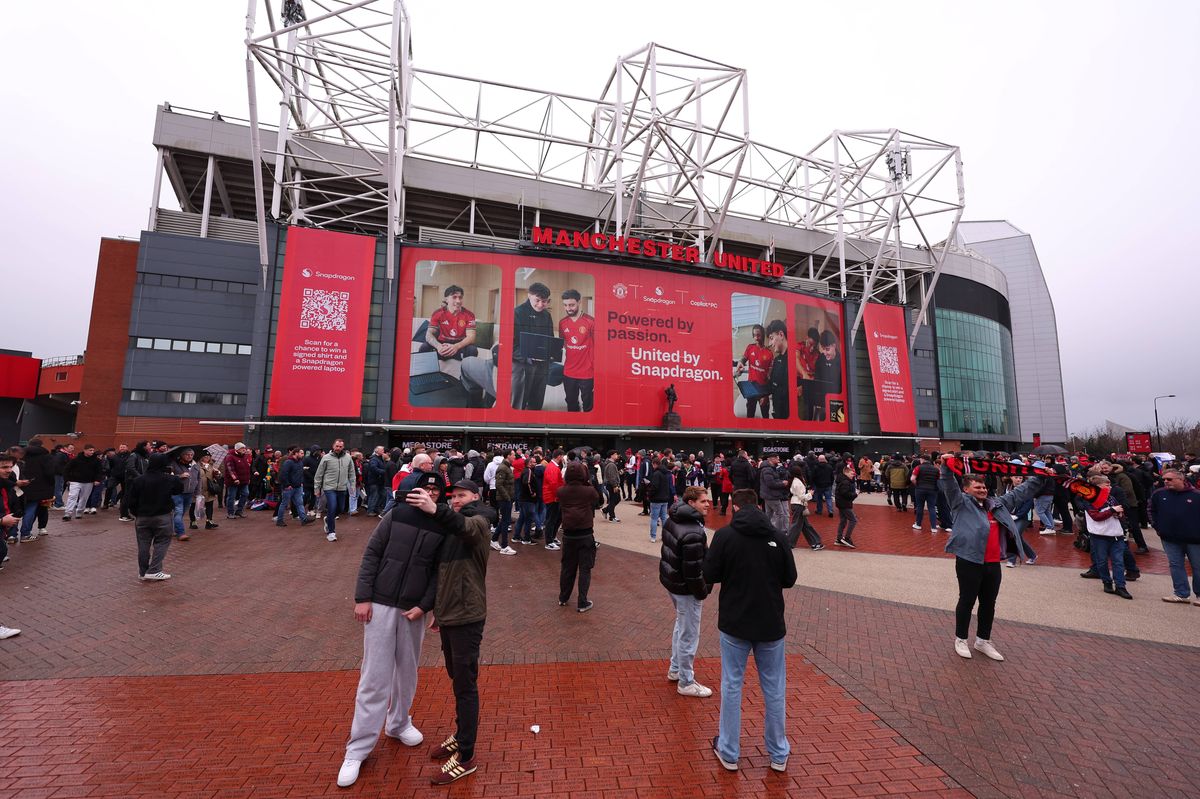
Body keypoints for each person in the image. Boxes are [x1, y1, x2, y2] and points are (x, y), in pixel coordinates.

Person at [337, 472, 452, 789]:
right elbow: (372, 553)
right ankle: (358, 749)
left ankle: (399, 722)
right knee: (374, 676)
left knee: (407, 672)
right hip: (382, 604)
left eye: (435, 490)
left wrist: (426, 605)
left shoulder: (443, 525)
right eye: (425, 488)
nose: (430, 494)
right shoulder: (395, 514)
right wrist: (363, 597)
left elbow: (438, 572)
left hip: (413, 610)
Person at [703, 488, 797, 772]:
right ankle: (778, 752)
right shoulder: (778, 537)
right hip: (770, 622)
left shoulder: (725, 536)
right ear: (757, 505)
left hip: (735, 621)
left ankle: (730, 751)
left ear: (734, 508)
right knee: (774, 687)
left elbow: (710, 574)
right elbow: (789, 579)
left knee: (732, 685)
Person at [410, 479, 496, 785]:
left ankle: (467, 755)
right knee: (457, 680)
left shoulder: (480, 521)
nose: (456, 500)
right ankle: (461, 736)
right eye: (453, 496)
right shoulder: (453, 526)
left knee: (465, 684)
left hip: (468, 616)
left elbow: (467, 528)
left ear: (475, 495)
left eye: (462, 495)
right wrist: (439, 611)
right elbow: (444, 575)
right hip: (451, 615)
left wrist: (437, 509)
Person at [940, 456, 1048, 660]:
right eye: (977, 487)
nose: (982, 490)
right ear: (966, 489)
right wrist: (946, 467)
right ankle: (961, 639)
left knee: (989, 602)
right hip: (969, 560)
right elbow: (948, 484)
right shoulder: (960, 503)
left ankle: (983, 640)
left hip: (992, 563)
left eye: (983, 487)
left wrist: (1040, 477)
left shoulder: (997, 504)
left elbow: (1020, 492)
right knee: (967, 600)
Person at [659, 486, 714, 697]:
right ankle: (686, 681)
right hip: (685, 589)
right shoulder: (693, 531)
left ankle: (676, 669)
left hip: (674, 584)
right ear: (691, 503)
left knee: (681, 626)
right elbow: (693, 570)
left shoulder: (674, 519)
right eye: (703, 501)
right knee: (689, 634)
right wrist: (702, 591)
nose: (707, 504)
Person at [126, 453, 183, 582]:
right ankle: (155, 570)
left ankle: (143, 572)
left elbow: (131, 500)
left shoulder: (139, 480)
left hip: (142, 517)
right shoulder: (169, 479)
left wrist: (137, 513)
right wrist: (174, 477)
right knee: (162, 542)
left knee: (143, 544)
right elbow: (178, 490)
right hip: (162, 515)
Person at [1149, 469, 1200, 604]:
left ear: (1181, 479)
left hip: (1194, 539)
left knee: (1198, 566)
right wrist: (1158, 527)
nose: (1165, 481)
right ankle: (1181, 593)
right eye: (1164, 479)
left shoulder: (1196, 495)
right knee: (1175, 565)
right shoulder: (1159, 494)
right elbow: (1151, 510)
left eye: (1169, 479)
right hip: (1169, 538)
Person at [1079, 475, 1132, 599]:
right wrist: (1112, 511)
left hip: (1116, 535)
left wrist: (1119, 514)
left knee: (1118, 562)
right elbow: (1096, 517)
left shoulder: (1111, 498)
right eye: (1107, 485)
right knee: (1102, 561)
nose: (1110, 487)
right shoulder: (1089, 500)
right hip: (1099, 535)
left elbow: (1120, 511)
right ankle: (1106, 581)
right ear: (1098, 487)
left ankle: (1120, 586)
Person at [557, 461, 601, 612]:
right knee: (585, 569)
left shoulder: (561, 491)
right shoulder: (588, 490)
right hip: (585, 533)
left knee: (567, 568)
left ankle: (563, 597)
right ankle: (582, 601)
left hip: (569, 534)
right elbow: (599, 500)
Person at [511, 282, 554, 410]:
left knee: (537, 401)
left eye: (545, 301)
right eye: (537, 300)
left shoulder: (547, 315)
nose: (541, 305)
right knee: (519, 403)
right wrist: (529, 357)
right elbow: (511, 345)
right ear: (529, 295)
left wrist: (551, 353)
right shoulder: (517, 313)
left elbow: (550, 339)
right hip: (522, 362)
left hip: (542, 363)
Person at [559, 288, 595, 412]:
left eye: (572, 305)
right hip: (569, 372)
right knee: (571, 404)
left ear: (579, 302)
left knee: (588, 406)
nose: (568, 308)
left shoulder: (591, 322)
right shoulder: (562, 323)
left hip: (587, 372)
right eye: (565, 305)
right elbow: (563, 343)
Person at [313, 439, 354, 542]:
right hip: (329, 487)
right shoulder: (326, 458)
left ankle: (328, 519)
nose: (338, 448)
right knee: (332, 506)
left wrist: (352, 486)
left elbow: (352, 473)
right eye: (337, 446)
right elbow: (319, 474)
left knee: (340, 508)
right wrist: (317, 488)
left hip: (342, 487)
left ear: (343, 447)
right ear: (333, 446)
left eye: (340, 446)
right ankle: (331, 532)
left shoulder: (348, 458)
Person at [734, 324, 771, 418]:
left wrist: (766, 395)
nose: (756, 338)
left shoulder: (769, 353)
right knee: (750, 415)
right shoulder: (750, 348)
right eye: (754, 335)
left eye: (758, 335)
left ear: (763, 334)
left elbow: (770, 376)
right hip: (751, 388)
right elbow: (743, 359)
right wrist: (740, 363)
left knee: (765, 416)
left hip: (763, 390)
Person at [62, 444, 102, 522]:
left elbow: (99, 471)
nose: (92, 452)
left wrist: (97, 480)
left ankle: (79, 511)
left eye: (93, 450)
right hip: (75, 481)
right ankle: (68, 513)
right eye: (90, 450)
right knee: (72, 496)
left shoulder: (96, 461)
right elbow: (67, 469)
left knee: (84, 497)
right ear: (85, 450)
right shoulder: (76, 459)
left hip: (88, 482)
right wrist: (67, 479)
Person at [787, 463, 821, 549]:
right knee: (797, 525)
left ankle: (815, 542)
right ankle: (788, 543)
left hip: (796, 504)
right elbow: (802, 497)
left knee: (804, 525)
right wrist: (810, 494)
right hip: (799, 504)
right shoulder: (798, 482)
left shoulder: (794, 481)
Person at [275, 447, 312, 527]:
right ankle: (279, 520)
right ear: (296, 453)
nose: (303, 455)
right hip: (289, 488)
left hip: (298, 487)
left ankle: (304, 519)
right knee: (284, 504)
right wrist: (287, 485)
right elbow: (283, 474)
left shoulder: (300, 462)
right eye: (301, 453)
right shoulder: (288, 462)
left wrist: (301, 482)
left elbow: (300, 473)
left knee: (299, 503)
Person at [170, 448, 199, 541]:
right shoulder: (174, 464)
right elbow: (168, 477)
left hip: (189, 493)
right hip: (177, 492)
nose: (189, 456)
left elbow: (199, 479)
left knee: (181, 513)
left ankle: (174, 529)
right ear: (182, 455)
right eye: (187, 454)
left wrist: (198, 492)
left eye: (191, 455)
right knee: (178, 511)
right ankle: (181, 533)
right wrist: (179, 476)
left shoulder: (195, 465)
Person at [490, 452, 516, 555]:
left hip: (507, 498)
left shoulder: (506, 467)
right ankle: (504, 546)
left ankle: (494, 539)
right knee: (505, 521)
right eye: (513, 455)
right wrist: (507, 497)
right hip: (505, 499)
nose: (514, 457)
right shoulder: (503, 468)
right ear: (508, 456)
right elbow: (499, 485)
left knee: (504, 520)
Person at [758, 453, 789, 534]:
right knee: (780, 514)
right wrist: (783, 483)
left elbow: (772, 481)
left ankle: (765, 529)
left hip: (769, 495)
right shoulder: (768, 469)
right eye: (777, 459)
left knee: (769, 514)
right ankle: (776, 532)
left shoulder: (770, 468)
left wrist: (781, 482)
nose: (778, 460)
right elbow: (771, 483)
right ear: (772, 459)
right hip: (772, 495)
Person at [764, 319, 789, 419]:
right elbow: (773, 383)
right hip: (777, 412)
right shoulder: (777, 359)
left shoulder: (794, 359)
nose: (770, 343)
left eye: (771, 338)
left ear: (781, 335)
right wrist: (763, 394)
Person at [541, 449, 565, 550]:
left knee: (556, 518)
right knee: (551, 519)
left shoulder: (553, 466)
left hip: (553, 496)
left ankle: (552, 537)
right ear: (559, 456)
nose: (563, 458)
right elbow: (553, 484)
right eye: (562, 456)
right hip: (552, 497)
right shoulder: (553, 467)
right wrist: (557, 496)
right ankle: (549, 541)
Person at [223, 442, 253, 519]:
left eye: (244, 448)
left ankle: (239, 510)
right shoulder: (230, 457)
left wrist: (248, 478)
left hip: (244, 480)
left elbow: (247, 469)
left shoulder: (245, 457)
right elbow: (230, 469)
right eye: (242, 448)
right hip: (233, 481)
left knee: (245, 494)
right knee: (231, 496)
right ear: (237, 449)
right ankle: (230, 512)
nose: (244, 450)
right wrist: (235, 478)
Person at [648, 456, 674, 543]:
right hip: (665, 498)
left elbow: (654, 486)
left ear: (655, 464)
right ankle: (664, 536)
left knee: (654, 518)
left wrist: (649, 495)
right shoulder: (666, 473)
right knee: (664, 518)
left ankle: (653, 536)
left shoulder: (656, 474)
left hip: (656, 499)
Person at [911, 456, 940, 533]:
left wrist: (917, 485)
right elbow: (939, 479)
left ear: (922, 460)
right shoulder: (936, 469)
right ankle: (933, 527)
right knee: (932, 507)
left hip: (920, 489)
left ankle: (918, 524)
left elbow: (912, 479)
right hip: (933, 489)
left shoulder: (918, 467)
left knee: (920, 506)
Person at [834, 464, 859, 548]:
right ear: (846, 473)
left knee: (843, 521)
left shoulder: (843, 481)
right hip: (844, 504)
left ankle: (839, 538)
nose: (853, 476)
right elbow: (845, 494)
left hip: (841, 503)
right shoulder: (845, 482)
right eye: (852, 474)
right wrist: (855, 494)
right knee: (853, 520)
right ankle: (847, 538)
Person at [601, 451, 622, 522]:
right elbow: (611, 477)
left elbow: (611, 475)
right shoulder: (611, 465)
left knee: (616, 499)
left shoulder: (610, 464)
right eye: (615, 454)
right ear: (611, 456)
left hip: (611, 484)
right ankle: (612, 517)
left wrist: (618, 473)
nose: (617, 455)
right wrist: (615, 486)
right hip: (612, 485)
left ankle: (606, 510)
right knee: (614, 500)